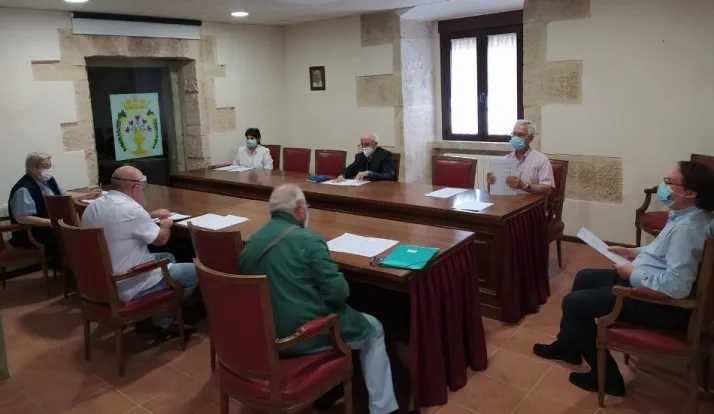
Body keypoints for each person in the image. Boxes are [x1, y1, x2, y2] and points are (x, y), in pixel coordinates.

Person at [532, 161, 714, 396]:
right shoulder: (687, 215)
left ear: (690, 193)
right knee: (585, 277)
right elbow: (662, 252)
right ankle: (568, 346)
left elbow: (678, 285)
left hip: (664, 305)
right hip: (650, 281)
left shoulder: (688, 230)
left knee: (574, 303)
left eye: (669, 182)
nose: (663, 186)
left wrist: (632, 274)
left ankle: (608, 379)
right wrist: (631, 252)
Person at [239, 184, 398, 414]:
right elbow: (339, 293)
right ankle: (384, 409)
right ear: (300, 209)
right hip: (302, 336)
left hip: (263, 336)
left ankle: (330, 389)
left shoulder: (252, 241)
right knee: (374, 329)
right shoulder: (309, 240)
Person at [81, 165, 199, 338]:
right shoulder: (132, 210)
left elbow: (121, 221)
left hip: (100, 281)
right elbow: (160, 240)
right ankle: (161, 322)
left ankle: (158, 312)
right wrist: (165, 225)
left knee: (167, 257)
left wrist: (149, 215)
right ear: (135, 188)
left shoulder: (94, 206)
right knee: (197, 272)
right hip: (129, 281)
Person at [8, 152, 102, 260]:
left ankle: (78, 264)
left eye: (50, 166)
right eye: (45, 167)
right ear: (33, 169)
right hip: (33, 232)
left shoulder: (48, 180)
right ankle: (71, 266)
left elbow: (64, 195)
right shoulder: (23, 189)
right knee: (75, 237)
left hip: (53, 224)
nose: (49, 170)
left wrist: (87, 195)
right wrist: (51, 222)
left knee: (81, 231)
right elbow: (22, 218)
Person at [486, 120, 554, 196]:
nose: (516, 138)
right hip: (508, 201)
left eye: (520, 135)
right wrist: (490, 184)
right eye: (514, 134)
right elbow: (493, 191)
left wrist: (524, 186)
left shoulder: (541, 160)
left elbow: (547, 190)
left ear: (531, 138)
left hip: (530, 202)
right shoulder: (505, 160)